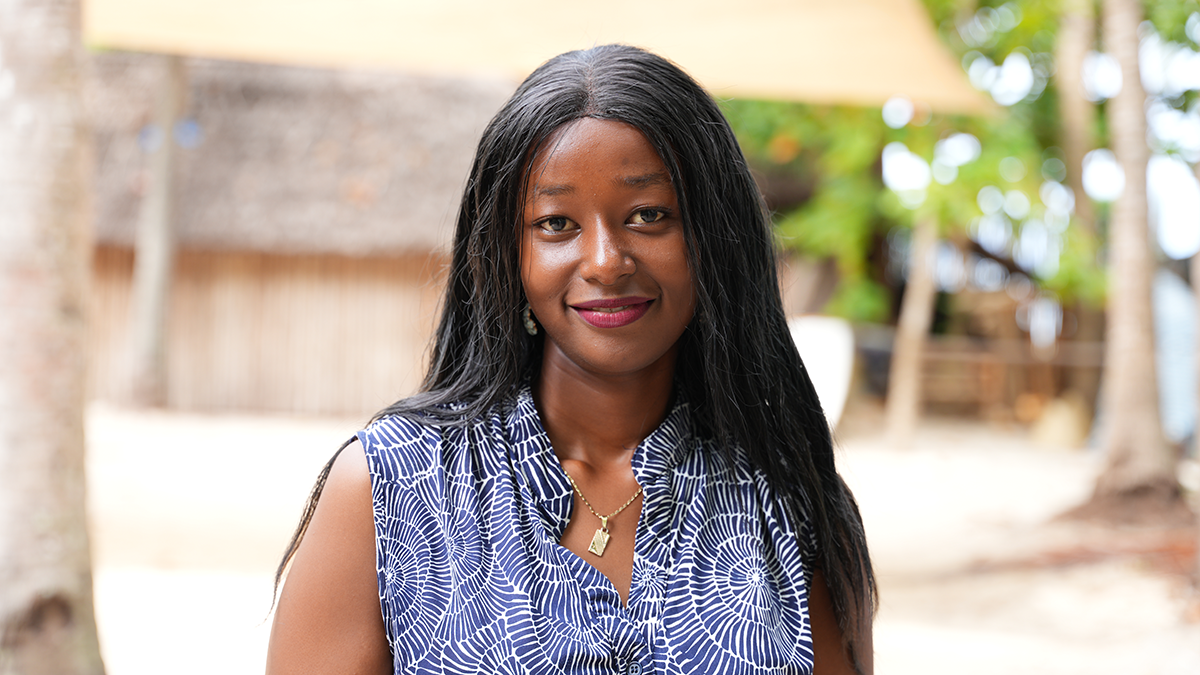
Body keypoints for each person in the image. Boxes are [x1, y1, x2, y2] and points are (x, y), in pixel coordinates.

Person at [266, 44, 875, 675]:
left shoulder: (793, 504)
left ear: (713, 239)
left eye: (649, 215)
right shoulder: (386, 489)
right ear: (507, 255)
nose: (607, 260)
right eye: (556, 224)